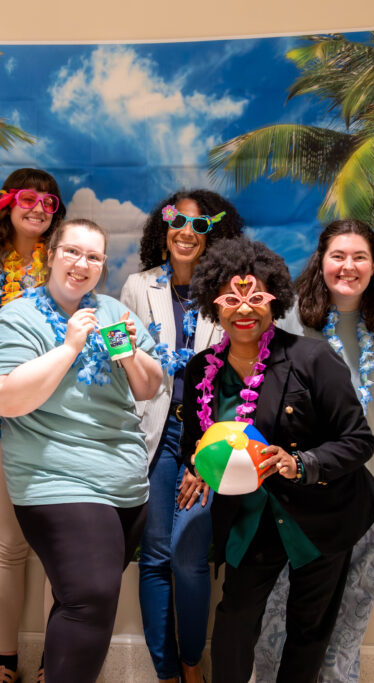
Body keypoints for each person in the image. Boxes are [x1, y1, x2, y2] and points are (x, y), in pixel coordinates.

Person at [180, 236, 374, 683]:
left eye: (257, 297)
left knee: (309, 630)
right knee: (234, 623)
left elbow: (358, 439)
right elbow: (196, 439)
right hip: (248, 520)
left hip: (320, 515)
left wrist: (302, 462)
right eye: (231, 299)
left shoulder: (311, 358)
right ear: (214, 305)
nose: (244, 309)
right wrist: (197, 468)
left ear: (275, 300)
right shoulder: (201, 371)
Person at [0, 219, 163, 682]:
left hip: (124, 486)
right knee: (92, 597)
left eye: (94, 257)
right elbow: (0, 396)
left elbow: (149, 386)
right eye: (73, 252)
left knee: (79, 601)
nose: (82, 264)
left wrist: (129, 354)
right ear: (52, 255)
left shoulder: (115, 313)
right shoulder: (17, 317)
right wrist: (70, 346)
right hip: (56, 480)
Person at [254, 219, 374, 682]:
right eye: (338, 256)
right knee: (283, 597)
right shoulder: (291, 320)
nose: (348, 266)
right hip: (304, 483)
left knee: (356, 597)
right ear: (321, 260)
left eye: (360, 257)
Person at [119, 190, 244, 683]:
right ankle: (165, 672)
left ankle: (193, 663)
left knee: (190, 557)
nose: (187, 231)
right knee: (153, 557)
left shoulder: (231, 291)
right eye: (177, 220)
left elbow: (240, 379)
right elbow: (123, 368)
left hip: (207, 435)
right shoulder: (137, 286)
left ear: (216, 234)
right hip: (150, 432)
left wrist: (204, 458)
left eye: (201, 224)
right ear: (163, 228)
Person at [0, 168, 66, 683]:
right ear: (7, 204)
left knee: (55, 546)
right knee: (7, 544)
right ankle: (6, 663)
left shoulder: (67, 263)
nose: (39, 208)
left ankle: (55, 663)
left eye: (50, 202)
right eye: (29, 198)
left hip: (57, 421)